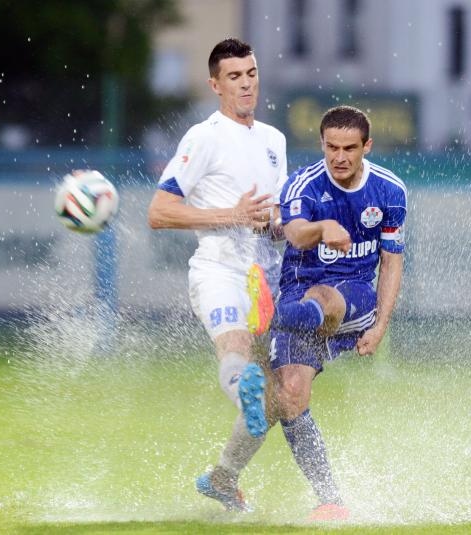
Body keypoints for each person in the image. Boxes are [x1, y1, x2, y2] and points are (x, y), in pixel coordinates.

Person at [147, 37, 285, 512]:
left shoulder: (274, 140)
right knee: (236, 353)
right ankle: (238, 384)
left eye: (251, 73)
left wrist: (285, 227)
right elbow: (160, 212)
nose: (246, 84)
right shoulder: (203, 137)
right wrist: (232, 215)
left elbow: (270, 219)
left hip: (266, 281)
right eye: (234, 76)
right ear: (215, 85)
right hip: (219, 270)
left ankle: (223, 479)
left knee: (275, 399)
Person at [269, 105, 407, 520]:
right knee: (290, 394)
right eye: (332, 147)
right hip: (297, 290)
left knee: (326, 296)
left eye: (350, 148)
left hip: (356, 297)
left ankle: (275, 319)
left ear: (367, 146)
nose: (340, 157)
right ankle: (330, 499)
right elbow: (293, 232)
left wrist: (381, 325)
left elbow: (393, 260)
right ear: (322, 144)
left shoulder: (389, 190)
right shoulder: (304, 186)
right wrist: (321, 229)